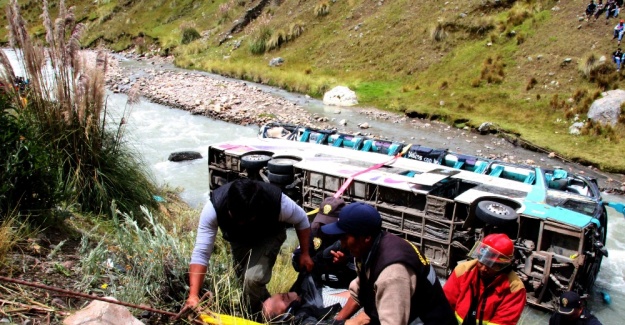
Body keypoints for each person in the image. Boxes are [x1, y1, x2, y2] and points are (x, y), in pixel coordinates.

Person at [183, 178, 314, 315]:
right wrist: (193, 295)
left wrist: (305, 253)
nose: (241, 223)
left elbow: (302, 219)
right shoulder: (213, 208)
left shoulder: (278, 202)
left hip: (269, 234)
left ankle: (250, 317)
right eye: (237, 218)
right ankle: (274, 313)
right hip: (238, 239)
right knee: (243, 282)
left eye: (246, 219)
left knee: (253, 278)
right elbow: (201, 253)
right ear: (229, 208)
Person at [323, 202, 456, 325]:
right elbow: (360, 291)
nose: (342, 244)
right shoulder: (368, 247)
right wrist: (337, 322)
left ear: (366, 237)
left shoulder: (392, 273)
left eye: (345, 238)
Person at [443, 233, 526, 325]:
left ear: (503, 265)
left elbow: (503, 322)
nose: (483, 269)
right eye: (481, 262)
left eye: (490, 265)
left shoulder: (514, 289)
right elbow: (444, 306)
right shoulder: (462, 271)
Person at [292, 197, 356, 289]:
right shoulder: (314, 229)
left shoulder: (350, 237)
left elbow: (361, 272)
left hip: (341, 287)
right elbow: (297, 258)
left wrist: (345, 262)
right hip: (315, 282)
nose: (324, 226)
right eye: (322, 221)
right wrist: (304, 259)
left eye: (329, 223)